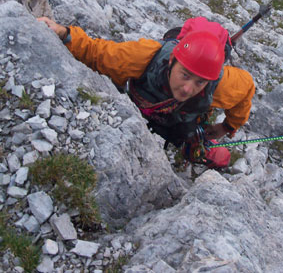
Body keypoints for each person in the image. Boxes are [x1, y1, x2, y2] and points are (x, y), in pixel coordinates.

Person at [37, 16, 255, 168]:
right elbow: (98, 53)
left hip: (182, 122)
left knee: (217, 154)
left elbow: (247, 89)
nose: (188, 88)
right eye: (185, 75)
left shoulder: (222, 83)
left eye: (200, 82)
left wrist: (227, 126)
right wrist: (64, 33)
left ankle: (193, 148)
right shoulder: (145, 56)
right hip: (137, 108)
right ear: (172, 60)